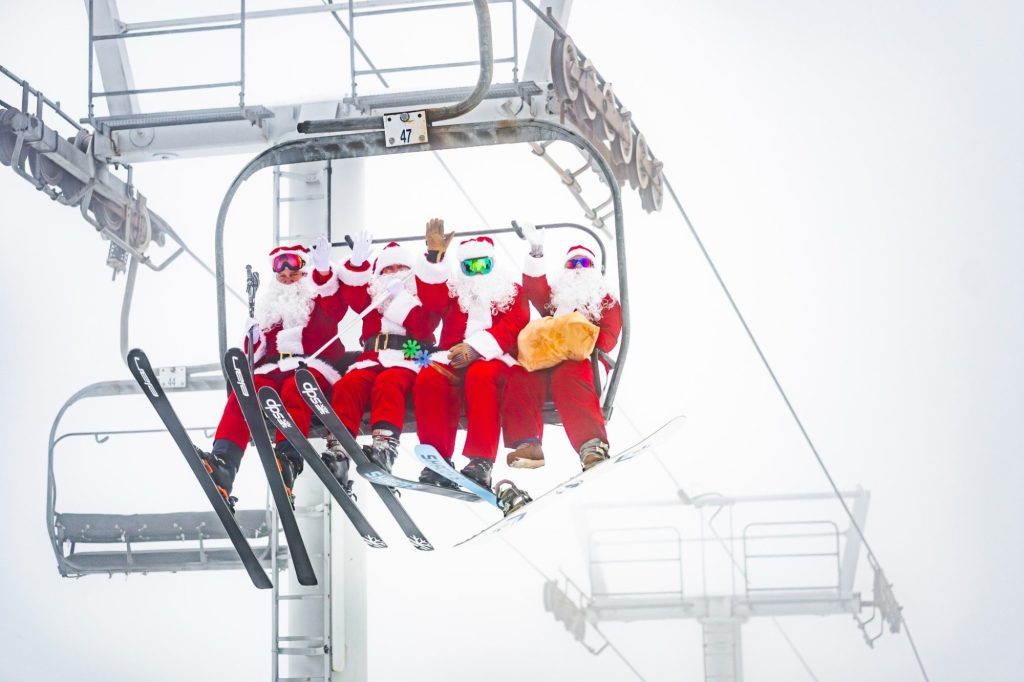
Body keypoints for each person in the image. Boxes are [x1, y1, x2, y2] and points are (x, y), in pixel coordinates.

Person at [202, 233, 373, 503]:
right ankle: (224, 462)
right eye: (280, 272)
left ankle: (288, 460)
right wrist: (253, 340)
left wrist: (325, 272)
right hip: (272, 371)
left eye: (293, 271)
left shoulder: (319, 299)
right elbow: (254, 358)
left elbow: (337, 309)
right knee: (247, 393)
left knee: (297, 388)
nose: (287, 276)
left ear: (304, 270)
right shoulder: (269, 313)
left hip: (313, 368)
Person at [413, 219, 530, 489]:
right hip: (452, 357)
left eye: (483, 265)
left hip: (496, 360)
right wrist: (434, 258)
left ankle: (481, 460)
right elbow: (431, 300)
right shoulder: (455, 293)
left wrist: (477, 348)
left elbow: (516, 323)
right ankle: (438, 459)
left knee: (480, 375)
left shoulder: (511, 292)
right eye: (470, 266)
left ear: (492, 264)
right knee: (430, 378)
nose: (477, 272)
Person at [501, 223, 622, 471]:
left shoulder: (605, 299)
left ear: (594, 270)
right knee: (521, 374)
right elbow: (535, 291)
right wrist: (536, 252)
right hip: (548, 358)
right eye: (572, 264)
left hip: (583, 361)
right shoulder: (557, 298)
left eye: (584, 264)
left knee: (569, 376)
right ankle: (528, 444)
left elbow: (608, 339)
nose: (578, 269)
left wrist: (577, 336)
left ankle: (591, 444)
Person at [329, 241, 441, 473]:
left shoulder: (420, 298)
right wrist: (357, 265)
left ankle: (385, 446)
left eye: (400, 268)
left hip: (406, 358)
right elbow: (353, 292)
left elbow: (423, 328)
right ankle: (338, 448)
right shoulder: (372, 298)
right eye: (387, 269)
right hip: (372, 358)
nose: (393, 273)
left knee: (388, 384)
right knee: (348, 385)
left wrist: (401, 299)